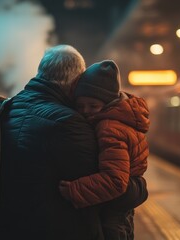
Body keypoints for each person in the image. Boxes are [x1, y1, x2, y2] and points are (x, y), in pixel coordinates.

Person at [0, 45, 148, 240]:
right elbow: (112, 189)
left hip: (3, 228)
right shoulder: (68, 123)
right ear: (76, 81)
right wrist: (140, 187)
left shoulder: (9, 108)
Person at [58, 60, 150, 239]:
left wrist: (75, 190)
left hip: (113, 214)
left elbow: (115, 180)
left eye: (93, 106)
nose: (85, 111)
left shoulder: (109, 127)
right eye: (80, 106)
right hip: (120, 207)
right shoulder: (112, 119)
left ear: (108, 104)